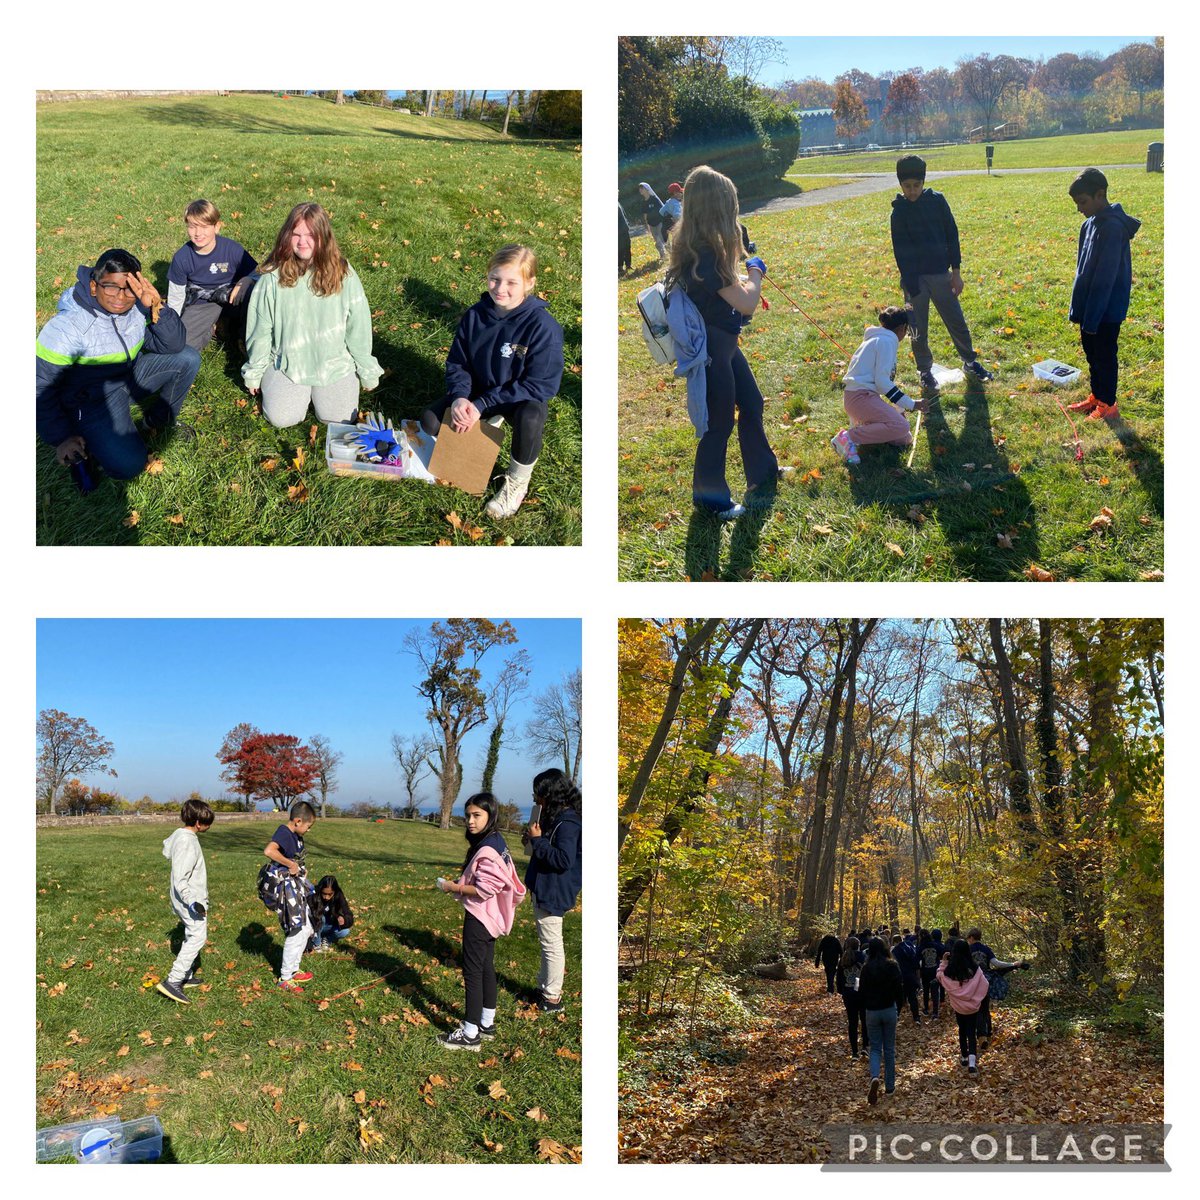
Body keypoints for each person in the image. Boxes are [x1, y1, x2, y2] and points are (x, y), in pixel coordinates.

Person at [666, 164, 779, 520]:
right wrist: (756, 272)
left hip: (725, 344)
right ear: (718, 208)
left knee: (752, 402)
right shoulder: (707, 256)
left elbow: (731, 294)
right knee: (719, 423)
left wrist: (743, 256)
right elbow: (746, 302)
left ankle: (763, 471)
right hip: (714, 350)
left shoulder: (702, 248)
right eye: (732, 205)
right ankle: (710, 499)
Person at [420, 244, 564, 520]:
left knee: (532, 418)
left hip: (516, 398)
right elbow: (458, 363)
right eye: (494, 279)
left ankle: (517, 481)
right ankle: (484, 422)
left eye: (512, 282)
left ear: (529, 283)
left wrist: (484, 403)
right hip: (478, 392)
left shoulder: (544, 327)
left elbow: (541, 385)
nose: (500, 288)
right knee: (429, 421)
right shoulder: (475, 315)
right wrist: (461, 396)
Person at [36, 248, 200, 481]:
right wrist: (61, 437)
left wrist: (157, 307)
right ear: (94, 285)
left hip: (128, 376)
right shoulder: (67, 328)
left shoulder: (136, 307)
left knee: (188, 358)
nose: (120, 297)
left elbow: (172, 345)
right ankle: (97, 445)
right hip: (92, 402)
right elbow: (39, 386)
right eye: (111, 287)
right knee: (130, 465)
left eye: (129, 289)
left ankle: (157, 421)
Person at [242, 202, 382, 428]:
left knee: (339, 420)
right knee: (282, 418)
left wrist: (366, 368)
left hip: (333, 365)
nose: (302, 242)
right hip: (287, 363)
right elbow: (260, 330)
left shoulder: (344, 273)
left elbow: (358, 326)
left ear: (324, 236)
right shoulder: (272, 277)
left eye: (310, 235)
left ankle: (319, 395)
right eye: (296, 234)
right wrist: (254, 371)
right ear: (287, 236)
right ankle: (294, 393)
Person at [890, 155, 993, 393]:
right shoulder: (898, 213)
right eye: (907, 187)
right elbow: (900, 252)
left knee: (956, 320)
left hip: (940, 274)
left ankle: (969, 361)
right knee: (917, 328)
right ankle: (925, 371)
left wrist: (955, 272)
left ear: (923, 182)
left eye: (917, 185)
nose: (913, 191)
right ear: (900, 186)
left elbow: (952, 236)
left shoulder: (937, 202)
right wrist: (911, 284)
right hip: (914, 281)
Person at [436, 793, 526, 1050]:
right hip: (493, 916)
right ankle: (487, 1022)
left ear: (490, 815)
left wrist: (454, 887)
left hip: (481, 916)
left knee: (473, 972)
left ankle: (470, 1033)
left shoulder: (486, 849)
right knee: (486, 966)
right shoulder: (496, 840)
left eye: (477, 815)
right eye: (467, 816)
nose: (470, 821)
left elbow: (486, 889)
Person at [1065, 167, 1142, 421]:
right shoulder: (1088, 225)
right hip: (1090, 309)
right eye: (1076, 203)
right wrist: (1082, 310)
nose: (1079, 208)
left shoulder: (1112, 228)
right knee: (1092, 353)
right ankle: (1097, 396)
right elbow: (1082, 269)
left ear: (1100, 195)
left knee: (1105, 356)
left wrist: (1094, 317)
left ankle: (1108, 404)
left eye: (1083, 202)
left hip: (1106, 310)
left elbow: (1105, 278)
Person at [832, 306, 929, 464]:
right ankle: (847, 438)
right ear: (903, 328)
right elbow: (883, 383)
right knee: (901, 426)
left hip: (863, 398)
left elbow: (882, 383)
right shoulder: (886, 342)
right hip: (860, 399)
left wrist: (898, 409)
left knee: (903, 438)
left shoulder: (879, 339)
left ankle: (866, 428)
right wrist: (911, 404)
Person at [522, 769, 582, 1013]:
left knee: (552, 944)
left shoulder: (567, 823)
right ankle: (545, 988)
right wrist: (533, 841)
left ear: (551, 794)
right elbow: (547, 849)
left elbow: (562, 860)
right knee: (547, 942)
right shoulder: (556, 818)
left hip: (554, 891)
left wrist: (538, 841)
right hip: (545, 887)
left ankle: (552, 998)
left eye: (539, 794)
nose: (536, 799)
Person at [167, 199, 258, 351]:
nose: (198, 233)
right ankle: (212, 328)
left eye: (204, 226)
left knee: (254, 293)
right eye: (192, 226)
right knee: (182, 345)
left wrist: (248, 279)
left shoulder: (232, 249)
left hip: (233, 297)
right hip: (203, 303)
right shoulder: (182, 257)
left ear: (217, 227)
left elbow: (258, 273)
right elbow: (175, 297)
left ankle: (242, 338)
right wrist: (171, 325)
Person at [156, 798, 214, 1004]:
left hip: (185, 898)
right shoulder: (188, 842)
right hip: (189, 899)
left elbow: (166, 848)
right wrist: (192, 901)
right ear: (199, 823)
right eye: (208, 823)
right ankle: (173, 980)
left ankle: (186, 975)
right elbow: (181, 878)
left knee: (192, 934)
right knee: (198, 936)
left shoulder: (180, 835)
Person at [262, 801, 318, 993]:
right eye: (308, 826)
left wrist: (300, 867)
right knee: (296, 929)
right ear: (297, 821)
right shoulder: (284, 833)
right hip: (286, 889)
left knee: (306, 927)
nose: (308, 830)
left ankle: (294, 969)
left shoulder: (294, 834)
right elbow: (269, 851)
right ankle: (285, 978)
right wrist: (290, 865)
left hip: (296, 886)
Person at [966, 927, 1029, 1047]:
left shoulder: (968, 949)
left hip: (973, 982)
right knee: (985, 1006)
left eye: (968, 938)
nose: (968, 940)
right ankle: (988, 1031)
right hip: (986, 981)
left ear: (972, 937)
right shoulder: (986, 949)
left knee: (978, 1008)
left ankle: (981, 1036)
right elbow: (997, 963)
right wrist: (1013, 964)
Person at [859, 937, 904, 1104]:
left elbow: (861, 992)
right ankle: (890, 1087)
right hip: (889, 1009)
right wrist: (898, 1009)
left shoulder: (866, 968)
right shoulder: (892, 966)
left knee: (876, 1048)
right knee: (890, 1049)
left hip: (872, 1011)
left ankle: (875, 1077)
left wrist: (865, 1008)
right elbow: (900, 990)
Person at [937, 938, 990, 1076]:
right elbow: (984, 983)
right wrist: (976, 998)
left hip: (958, 1007)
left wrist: (943, 962)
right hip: (972, 1007)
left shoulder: (950, 969)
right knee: (971, 1032)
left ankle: (964, 1057)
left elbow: (940, 976)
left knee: (962, 1030)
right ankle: (972, 1063)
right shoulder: (974, 968)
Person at [835, 936, 868, 1059]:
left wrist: (841, 991)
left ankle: (854, 1052)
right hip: (862, 993)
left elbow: (838, 978)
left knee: (852, 1022)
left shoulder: (843, 959)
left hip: (848, 994)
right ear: (858, 945)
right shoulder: (863, 957)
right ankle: (865, 1046)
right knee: (864, 1021)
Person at [311, 875, 354, 951]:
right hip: (314, 927)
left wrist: (344, 919)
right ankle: (316, 943)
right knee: (321, 918)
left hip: (329, 925)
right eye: (324, 893)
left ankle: (326, 939)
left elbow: (348, 913)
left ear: (334, 892)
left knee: (345, 931)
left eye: (330, 894)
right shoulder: (313, 894)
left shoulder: (339, 895)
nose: (326, 897)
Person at [892, 933, 921, 1023]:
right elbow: (916, 963)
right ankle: (916, 1017)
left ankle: (896, 1015)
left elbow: (894, 965)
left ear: (895, 942)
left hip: (900, 977)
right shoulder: (910, 947)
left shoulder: (895, 951)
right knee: (912, 997)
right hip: (911, 976)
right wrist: (917, 977)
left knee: (899, 998)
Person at [637, 182, 668, 260]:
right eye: (639, 189)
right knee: (657, 241)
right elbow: (645, 215)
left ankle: (672, 253)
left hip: (659, 223)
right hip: (651, 224)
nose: (640, 190)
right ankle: (662, 255)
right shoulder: (643, 202)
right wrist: (647, 225)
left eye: (642, 188)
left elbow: (662, 210)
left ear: (647, 189)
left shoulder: (654, 199)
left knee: (663, 239)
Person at [919, 928, 945, 1018]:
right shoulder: (936, 945)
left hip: (925, 972)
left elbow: (916, 960)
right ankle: (935, 1012)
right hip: (935, 972)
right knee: (935, 992)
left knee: (926, 991)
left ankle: (926, 1009)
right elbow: (944, 953)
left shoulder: (921, 947)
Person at [619, 203, 632, 276]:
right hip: (618, 231)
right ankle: (620, 266)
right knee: (620, 248)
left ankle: (628, 264)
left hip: (624, 229)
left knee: (627, 246)